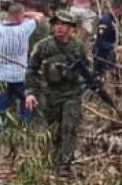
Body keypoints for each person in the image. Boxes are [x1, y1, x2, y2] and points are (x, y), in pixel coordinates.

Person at [26, 11, 90, 176]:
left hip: (72, 93)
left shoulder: (78, 46)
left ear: (71, 28)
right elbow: (31, 69)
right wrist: (31, 92)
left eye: (64, 24)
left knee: (69, 127)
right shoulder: (44, 46)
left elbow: (87, 69)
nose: (60, 28)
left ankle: (65, 165)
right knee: (54, 128)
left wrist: (89, 86)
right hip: (51, 94)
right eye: (57, 24)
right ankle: (54, 158)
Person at [0, 2, 39, 122]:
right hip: (20, 74)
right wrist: (26, 14)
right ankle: (26, 126)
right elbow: (39, 16)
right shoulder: (24, 29)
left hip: (1, 76)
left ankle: (1, 128)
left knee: (2, 105)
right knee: (27, 101)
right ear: (20, 16)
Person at [94, 0, 122, 96]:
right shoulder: (105, 21)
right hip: (103, 54)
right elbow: (99, 41)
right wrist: (113, 47)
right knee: (101, 79)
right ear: (115, 9)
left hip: (114, 54)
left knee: (120, 72)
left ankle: (118, 95)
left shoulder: (118, 20)